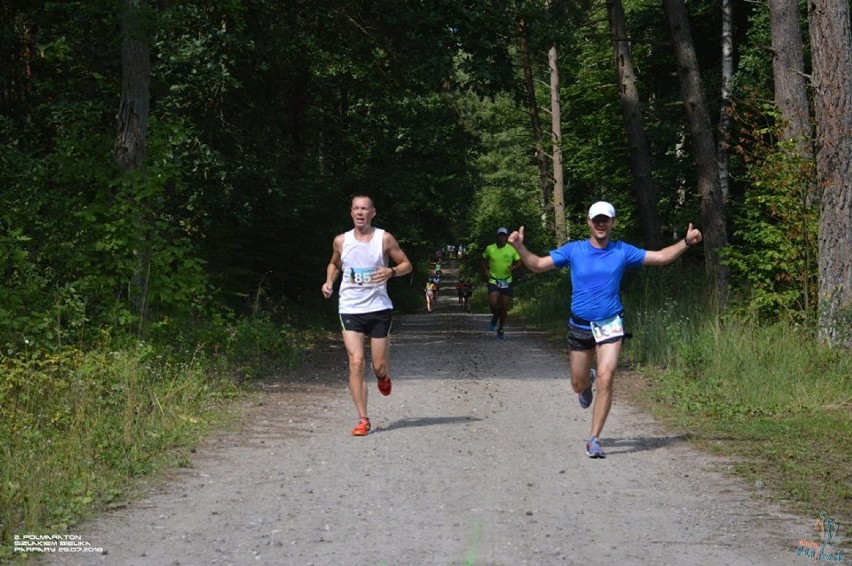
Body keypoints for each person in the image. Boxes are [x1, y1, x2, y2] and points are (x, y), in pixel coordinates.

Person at [507, 201, 702, 458]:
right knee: (577, 384)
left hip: (610, 323)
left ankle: (594, 438)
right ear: (588, 222)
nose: (601, 224)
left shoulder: (622, 251)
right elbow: (539, 265)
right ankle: (585, 383)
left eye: (605, 219)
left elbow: (661, 257)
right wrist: (519, 246)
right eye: (596, 220)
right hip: (579, 325)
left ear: (612, 223)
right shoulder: (574, 250)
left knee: (607, 376)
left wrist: (686, 243)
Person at [322, 195, 412, 436]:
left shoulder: (384, 239)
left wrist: (391, 271)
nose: (360, 212)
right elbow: (334, 264)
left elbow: (407, 264)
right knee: (356, 361)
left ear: (373, 212)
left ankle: (383, 377)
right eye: (356, 209)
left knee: (378, 366)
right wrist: (329, 281)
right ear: (351, 213)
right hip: (350, 308)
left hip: (379, 308)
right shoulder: (341, 241)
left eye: (365, 208)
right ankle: (363, 418)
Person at [481, 227, 522, 339]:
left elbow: (519, 262)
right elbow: (483, 259)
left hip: (507, 281)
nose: (502, 237)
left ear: (506, 237)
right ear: (497, 236)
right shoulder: (490, 248)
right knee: (494, 303)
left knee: (504, 307)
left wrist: (513, 266)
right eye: (500, 235)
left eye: (504, 235)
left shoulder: (511, 249)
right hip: (493, 280)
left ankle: (501, 329)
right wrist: (486, 270)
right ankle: (495, 316)